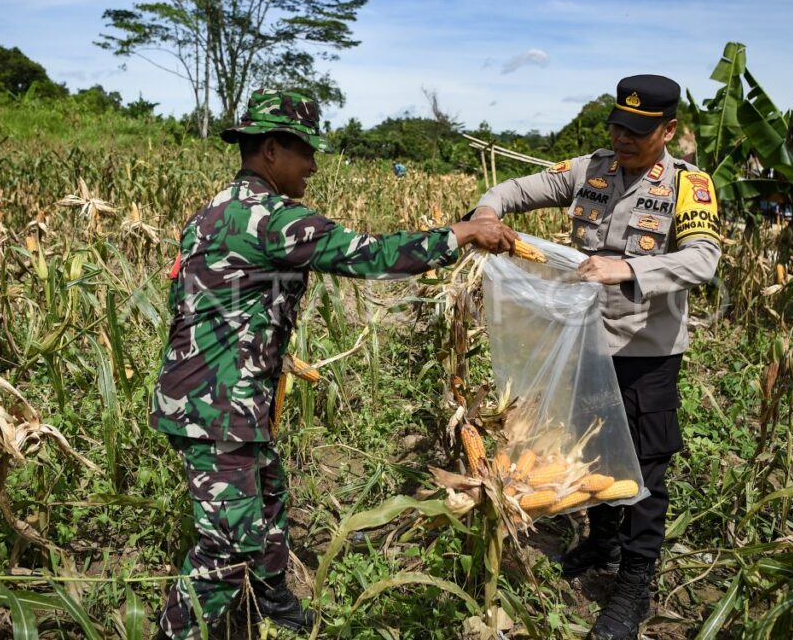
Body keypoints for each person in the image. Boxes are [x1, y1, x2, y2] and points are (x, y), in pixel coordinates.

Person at [151, 89, 518, 639]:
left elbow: (202, 302)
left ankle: (272, 600)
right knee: (227, 545)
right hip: (218, 406)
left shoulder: (211, 212)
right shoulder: (273, 219)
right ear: (271, 150)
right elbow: (371, 255)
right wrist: (460, 234)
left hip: (214, 395)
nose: (313, 166)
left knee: (268, 494)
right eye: (305, 152)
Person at [469, 75, 721, 640]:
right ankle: (601, 542)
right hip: (587, 340)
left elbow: (703, 260)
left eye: (637, 131)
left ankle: (633, 584)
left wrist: (627, 267)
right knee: (593, 447)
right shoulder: (590, 170)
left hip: (646, 352)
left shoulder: (688, 184)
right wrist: (486, 214)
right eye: (617, 127)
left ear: (668, 131)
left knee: (646, 470)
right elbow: (512, 190)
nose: (622, 139)